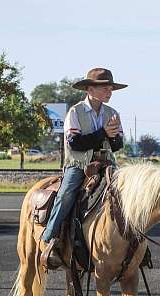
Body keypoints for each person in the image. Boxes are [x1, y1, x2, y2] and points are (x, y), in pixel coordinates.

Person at [40, 68, 126, 269]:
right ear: (90, 89)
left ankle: (134, 244)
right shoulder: (75, 112)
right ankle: (50, 237)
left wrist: (113, 137)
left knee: (129, 193)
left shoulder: (112, 113)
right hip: (79, 165)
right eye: (105, 87)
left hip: (106, 164)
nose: (109, 91)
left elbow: (117, 145)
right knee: (67, 194)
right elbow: (75, 143)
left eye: (111, 88)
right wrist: (103, 132)